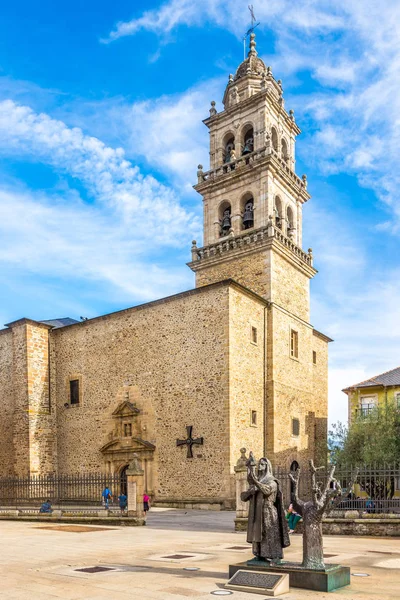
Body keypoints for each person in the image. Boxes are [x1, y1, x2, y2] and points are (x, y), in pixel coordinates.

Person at [241, 455, 290, 563]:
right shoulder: (257, 480)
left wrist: (256, 482)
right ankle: (259, 555)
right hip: (257, 512)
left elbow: (267, 491)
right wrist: (250, 491)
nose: (260, 466)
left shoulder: (272, 481)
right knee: (258, 534)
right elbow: (243, 497)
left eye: (262, 464)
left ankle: (276, 556)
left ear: (267, 466)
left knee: (271, 533)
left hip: (268, 511)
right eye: (259, 464)